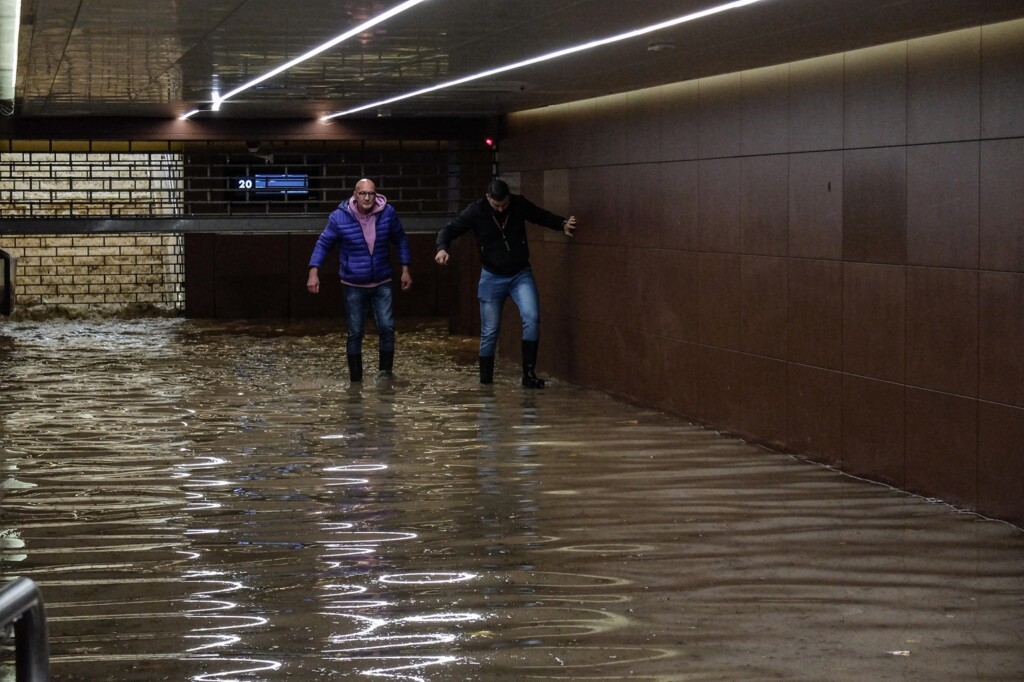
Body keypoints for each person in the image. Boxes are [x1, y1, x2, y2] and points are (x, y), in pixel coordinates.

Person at [434, 178, 577, 388]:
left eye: (504, 205)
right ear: (488, 198)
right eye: (496, 205)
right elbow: (449, 229)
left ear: (509, 198)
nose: (500, 209)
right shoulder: (476, 211)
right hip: (491, 276)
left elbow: (539, 215)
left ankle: (528, 374)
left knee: (531, 317)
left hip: (520, 273)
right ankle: (486, 381)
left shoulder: (518, 204)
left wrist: (561, 224)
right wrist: (441, 248)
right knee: (490, 331)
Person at [307, 178, 412, 382]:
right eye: (362, 193)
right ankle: (356, 382)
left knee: (387, 327)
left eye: (370, 193)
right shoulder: (339, 217)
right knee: (355, 332)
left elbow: (401, 239)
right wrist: (313, 271)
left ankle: (385, 375)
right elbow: (323, 244)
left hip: (382, 280)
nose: (366, 197)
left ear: (376, 194)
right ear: (354, 195)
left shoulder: (387, 213)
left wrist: (405, 268)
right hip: (353, 283)